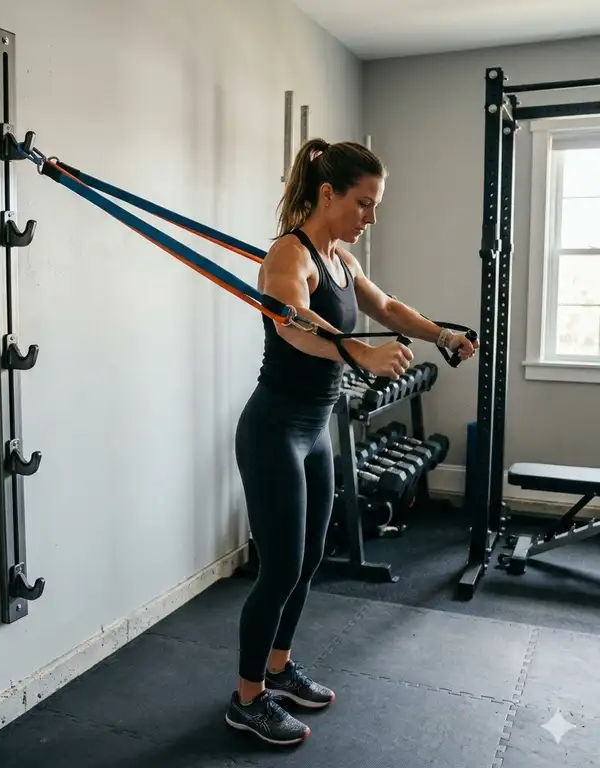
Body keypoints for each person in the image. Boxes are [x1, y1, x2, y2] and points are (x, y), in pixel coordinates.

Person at [224, 137, 478, 746]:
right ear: (328, 193)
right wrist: (356, 350)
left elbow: (386, 305)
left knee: (309, 560)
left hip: (313, 432)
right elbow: (293, 326)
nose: (371, 217)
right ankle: (246, 697)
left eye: (377, 206)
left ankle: (278, 669)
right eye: (364, 204)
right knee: (280, 567)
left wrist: (439, 332)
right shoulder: (290, 256)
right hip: (274, 430)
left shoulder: (342, 259)